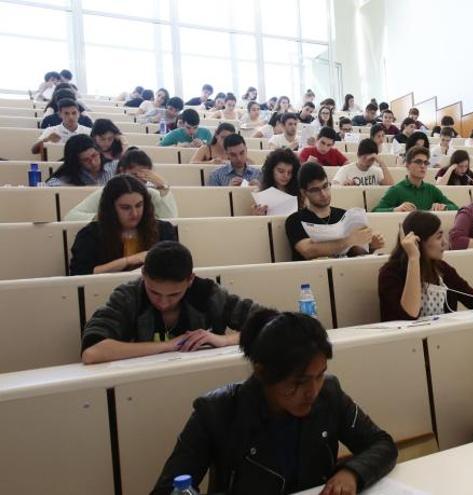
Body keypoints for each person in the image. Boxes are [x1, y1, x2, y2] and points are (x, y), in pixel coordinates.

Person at [152, 308, 398, 495]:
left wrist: (351, 472)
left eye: (320, 375)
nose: (312, 391)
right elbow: (169, 488)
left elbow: (381, 444)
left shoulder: (329, 393)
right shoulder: (216, 412)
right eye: (298, 382)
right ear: (262, 372)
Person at [80, 241, 260, 366]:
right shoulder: (128, 296)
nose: (164, 303)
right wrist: (169, 345)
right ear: (143, 274)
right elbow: (92, 351)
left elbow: (268, 323)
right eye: (154, 292)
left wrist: (224, 340)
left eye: (174, 294)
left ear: (190, 280)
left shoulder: (205, 292)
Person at [378, 211, 473, 321]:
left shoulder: (442, 269)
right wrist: (414, 258)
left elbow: (472, 298)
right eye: (438, 237)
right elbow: (410, 314)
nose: (445, 243)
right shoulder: (390, 273)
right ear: (418, 242)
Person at [69, 175, 177, 276]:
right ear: (111, 209)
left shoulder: (163, 229)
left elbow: (176, 267)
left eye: (139, 205)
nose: (134, 213)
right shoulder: (90, 234)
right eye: (126, 207)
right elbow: (79, 275)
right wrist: (130, 260)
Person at [286, 163, 383, 262]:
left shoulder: (344, 216)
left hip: (344, 272)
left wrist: (371, 246)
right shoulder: (295, 220)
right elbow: (308, 251)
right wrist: (348, 241)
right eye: (315, 190)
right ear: (303, 192)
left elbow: (355, 253)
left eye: (325, 186)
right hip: (311, 274)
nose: (323, 194)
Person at [64, 148, 177, 221]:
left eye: (145, 176)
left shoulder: (151, 194)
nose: (139, 181)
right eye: (135, 175)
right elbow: (70, 217)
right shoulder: (106, 193)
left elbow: (171, 221)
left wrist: (163, 186)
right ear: (122, 171)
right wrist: (105, 217)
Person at [373, 146, 458, 212]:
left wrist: (444, 207)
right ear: (407, 165)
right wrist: (396, 210)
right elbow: (375, 211)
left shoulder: (432, 190)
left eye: (426, 163)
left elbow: (455, 207)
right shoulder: (396, 190)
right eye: (418, 162)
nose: (423, 166)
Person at [46, 134, 115, 186]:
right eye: (86, 160)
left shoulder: (113, 167)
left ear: (99, 152)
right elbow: (50, 183)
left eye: (94, 155)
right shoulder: (73, 173)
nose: (93, 163)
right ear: (77, 162)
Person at [252, 148, 301, 216]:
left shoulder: (300, 193)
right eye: (281, 171)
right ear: (271, 170)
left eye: (289, 172)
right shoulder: (260, 194)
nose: (285, 176)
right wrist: (258, 216)